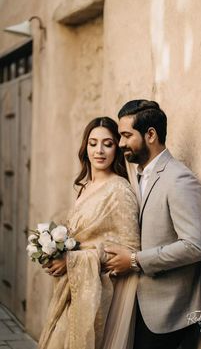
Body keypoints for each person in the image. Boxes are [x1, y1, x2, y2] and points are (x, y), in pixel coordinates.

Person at [105, 100, 201, 349]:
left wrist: (134, 260)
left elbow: (196, 246)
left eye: (126, 135)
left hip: (172, 315)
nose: (120, 144)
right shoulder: (139, 175)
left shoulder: (179, 179)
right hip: (141, 307)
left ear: (150, 134)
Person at [38, 117, 140, 349]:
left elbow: (131, 250)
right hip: (73, 290)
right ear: (85, 148)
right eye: (93, 143)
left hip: (96, 296)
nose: (99, 151)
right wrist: (56, 252)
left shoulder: (120, 190)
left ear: (117, 147)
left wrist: (72, 261)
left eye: (108, 143)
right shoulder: (85, 187)